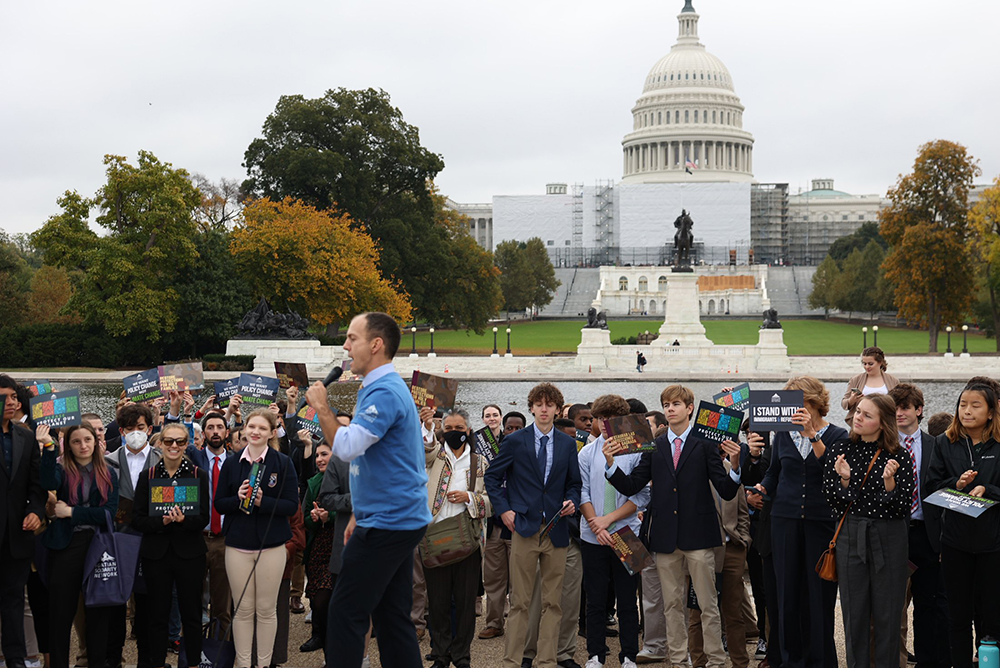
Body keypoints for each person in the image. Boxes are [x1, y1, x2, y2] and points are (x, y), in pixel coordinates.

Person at [304, 312, 432, 668]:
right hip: (391, 518)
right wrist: (359, 511)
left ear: (376, 345)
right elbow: (387, 464)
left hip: (389, 523)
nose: (345, 345)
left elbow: (346, 448)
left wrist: (321, 406)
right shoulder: (380, 388)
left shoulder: (385, 391)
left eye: (351, 338)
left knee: (345, 612)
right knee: (391, 616)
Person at [602, 385, 742, 668]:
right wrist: (610, 464)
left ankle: (716, 661)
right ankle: (679, 660)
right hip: (665, 538)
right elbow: (632, 485)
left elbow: (726, 490)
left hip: (699, 536)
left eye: (676, 404)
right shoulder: (655, 445)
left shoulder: (704, 444)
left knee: (707, 605)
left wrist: (736, 464)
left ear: (690, 408)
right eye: (666, 404)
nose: (670, 408)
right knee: (671, 605)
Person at [483, 383, 581, 668]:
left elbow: (574, 483)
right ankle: (513, 660)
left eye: (550, 404)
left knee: (554, 602)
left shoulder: (566, 443)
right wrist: (504, 511)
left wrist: (572, 501)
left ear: (557, 409)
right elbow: (492, 477)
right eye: (539, 404)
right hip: (524, 526)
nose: (544, 409)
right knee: (521, 602)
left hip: (556, 528)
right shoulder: (515, 440)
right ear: (532, 408)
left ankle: (547, 660)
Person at [753, 376, 848, 668]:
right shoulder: (782, 434)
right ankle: (788, 660)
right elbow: (774, 471)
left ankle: (820, 660)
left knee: (818, 595)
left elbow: (832, 473)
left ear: (815, 402)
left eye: (798, 400)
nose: (792, 408)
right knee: (786, 593)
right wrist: (761, 488)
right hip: (784, 520)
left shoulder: (838, 435)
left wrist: (812, 435)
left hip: (821, 523)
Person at [823, 394, 913, 668]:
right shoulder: (840, 449)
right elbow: (832, 500)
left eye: (867, 415)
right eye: (858, 412)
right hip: (851, 536)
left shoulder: (899, 455)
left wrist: (889, 485)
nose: (858, 418)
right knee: (855, 615)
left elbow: (902, 507)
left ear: (883, 423)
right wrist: (845, 479)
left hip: (890, 538)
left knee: (888, 615)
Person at [213, 409, 299, 668]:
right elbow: (219, 504)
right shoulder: (232, 462)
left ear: (272, 433)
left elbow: (291, 506)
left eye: (262, 428)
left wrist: (264, 501)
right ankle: (242, 663)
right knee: (242, 609)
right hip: (238, 545)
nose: (255, 432)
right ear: (244, 429)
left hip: (271, 545)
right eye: (251, 426)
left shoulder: (282, 463)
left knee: (265, 609)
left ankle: (263, 664)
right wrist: (237, 498)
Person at [926, 383, 1000, 668]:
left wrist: (987, 489)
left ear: (992, 412)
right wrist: (956, 485)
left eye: (975, 405)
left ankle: (988, 663)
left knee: (991, 616)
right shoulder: (946, 441)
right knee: (957, 616)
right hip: (955, 542)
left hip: (993, 543)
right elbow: (932, 487)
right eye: (963, 405)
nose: (966, 411)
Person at [37, 423, 118, 668]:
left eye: (87, 440)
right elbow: (46, 481)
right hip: (65, 546)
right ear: (68, 446)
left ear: (95, 442)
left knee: (98, 612)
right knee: (61, 612)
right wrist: (49, 448)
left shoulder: (109, 473)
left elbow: (107, 514)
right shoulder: (62, 469)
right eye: (76, 441)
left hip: (98, 545)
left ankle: (97, 662)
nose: (83, 446)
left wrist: (72, 512)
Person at [131, 422, 211, 668]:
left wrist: (184, 520)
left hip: (190, 553)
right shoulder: (149, 476)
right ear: (160, 443)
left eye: (179, 441)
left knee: (192, 614)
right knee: (157, 614)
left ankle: (193, 663)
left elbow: (203, 518)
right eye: (168, 441)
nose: (174, 446)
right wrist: (161, 522)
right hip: (157, 554)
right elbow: (138, 519)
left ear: (187, 444)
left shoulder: (199, 475)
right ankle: (157, 663)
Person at [579, 395, 648, 668]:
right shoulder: (586, 452)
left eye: (612, 420)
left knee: (628, 600)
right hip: (592, 534)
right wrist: (596, 522)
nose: (605, 425)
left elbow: (642, 496)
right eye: (601, 419)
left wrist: (609, 520)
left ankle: (629, 655)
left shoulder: (638, 448)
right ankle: (596, 654)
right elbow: (582, 491)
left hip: (627, 532)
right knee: (595, 598)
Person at [422, 408, 491, 668]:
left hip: (467, 540)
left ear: (469, 431)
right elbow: (424, 449)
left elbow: (490, 501)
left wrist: (469, 498)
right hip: (435, 538)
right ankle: (441, 655)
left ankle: (461, 656)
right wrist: (428, 426)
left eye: (459, 429)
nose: (454, 433)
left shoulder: (479, 463)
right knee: (437, 602)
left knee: (464, 604)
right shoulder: (433, 458)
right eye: (448, 429)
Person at [888, 384, 950, 668]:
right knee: (890, 607)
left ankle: (929, 662)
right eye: (895, 408)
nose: (899, 413)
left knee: (930, 605)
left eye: (905, 408)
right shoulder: (883, 445)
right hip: (891, 534)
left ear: (918, 410)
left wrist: (942, 539)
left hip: (926, 534)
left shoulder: (936, 445)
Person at [103, 402, 158, 668]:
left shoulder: (161, 459)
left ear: (149, 428)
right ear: (121, 431)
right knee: (115, 605)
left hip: (151, 540)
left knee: (147, 607)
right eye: (129, 428)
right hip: (117, 539)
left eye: (140, 427)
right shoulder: (107, 461)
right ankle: (113, 659)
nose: (135, 432)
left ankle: (146, 661)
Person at [0, 376, 45, 668]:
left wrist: (36, 510)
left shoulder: (26, 437)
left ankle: (15, 659)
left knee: (14, 600)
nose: (11, 402)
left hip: (17, 535)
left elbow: (36, 484)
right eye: (5, 397)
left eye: (14, 397)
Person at [480, 410, 526, 641]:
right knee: (494, 580)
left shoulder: (528, 456)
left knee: (519, 582)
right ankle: (494, 623)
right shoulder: (493, 457)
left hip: (521, 528)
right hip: (496, 527)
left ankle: (519, 627)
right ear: (503, 430)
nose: (513, 433)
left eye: (519, 429)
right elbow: (490, 483)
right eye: (510, 428)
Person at [189, 411, 233, 630]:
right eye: (210, 428)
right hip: (198, 538)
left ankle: (220, 653)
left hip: (226, 541)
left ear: (227, 431)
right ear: (203, 433)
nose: (215, 432)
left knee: (222, 604)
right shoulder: (194, 458)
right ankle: (194, 653)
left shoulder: (236, 462)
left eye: (219, 427)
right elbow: (180, 438)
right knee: (194, 601)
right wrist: (183, 412)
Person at [300, 441, 335, 654]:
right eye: (317, 455)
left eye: (324, 454)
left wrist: (328, 516)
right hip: (317, 547)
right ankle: (318, 636)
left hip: (339, 545)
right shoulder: (314, 482)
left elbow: (353, 510)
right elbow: (304, 518)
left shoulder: (349, 480)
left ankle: (331, 645)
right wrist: (314, 517)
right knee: (315, 598)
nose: (319, 459)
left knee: (325, 599)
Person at [842, 346, 899, 427]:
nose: (867, 367)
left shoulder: (893, 381)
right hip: (861, 424)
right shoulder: (855, 380)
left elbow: (899, 404)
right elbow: (844, 404)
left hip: (885, 424)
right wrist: (851, 400)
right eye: (864, 363)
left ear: (880, 362)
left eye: (870, 364)